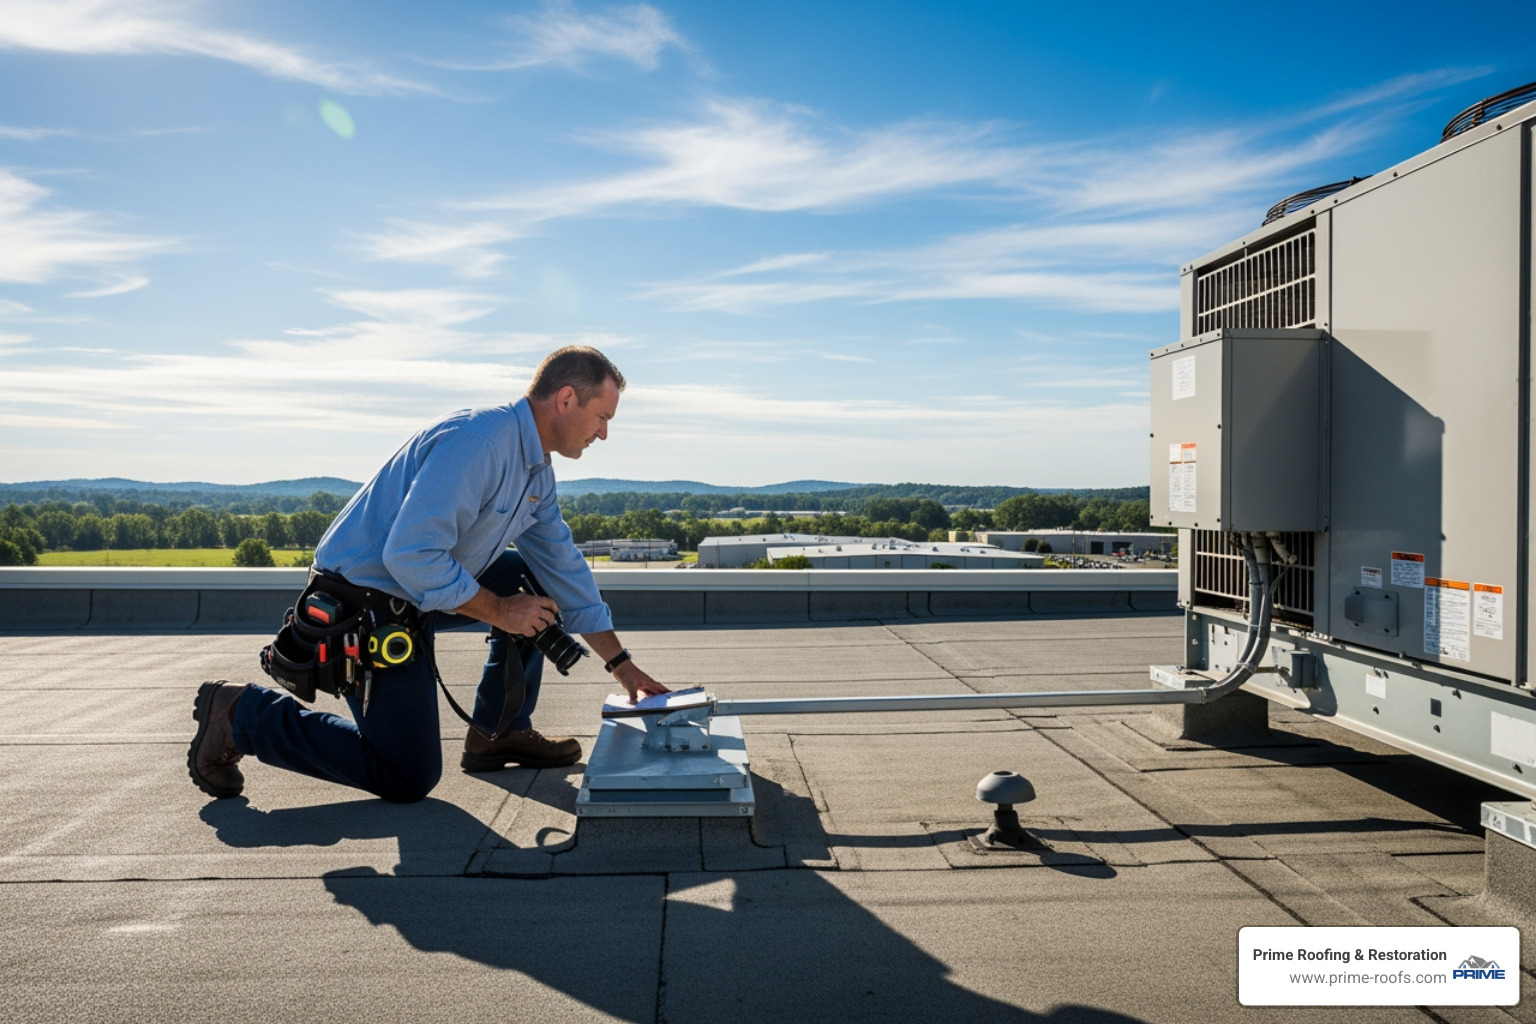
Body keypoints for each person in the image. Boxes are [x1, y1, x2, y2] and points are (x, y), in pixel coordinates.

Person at [186, 346, 670, 802]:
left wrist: (622, 666)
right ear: (566, 399)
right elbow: (412, 556)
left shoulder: (534, 469)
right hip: (367, 601)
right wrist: (500, 610)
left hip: (417, 593)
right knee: (407, 774)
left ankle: (498, 734)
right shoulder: (480, 442)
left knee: (531, 580)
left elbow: (562, 567)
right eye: (602, 417)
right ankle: (241, 714)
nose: (603, 433)